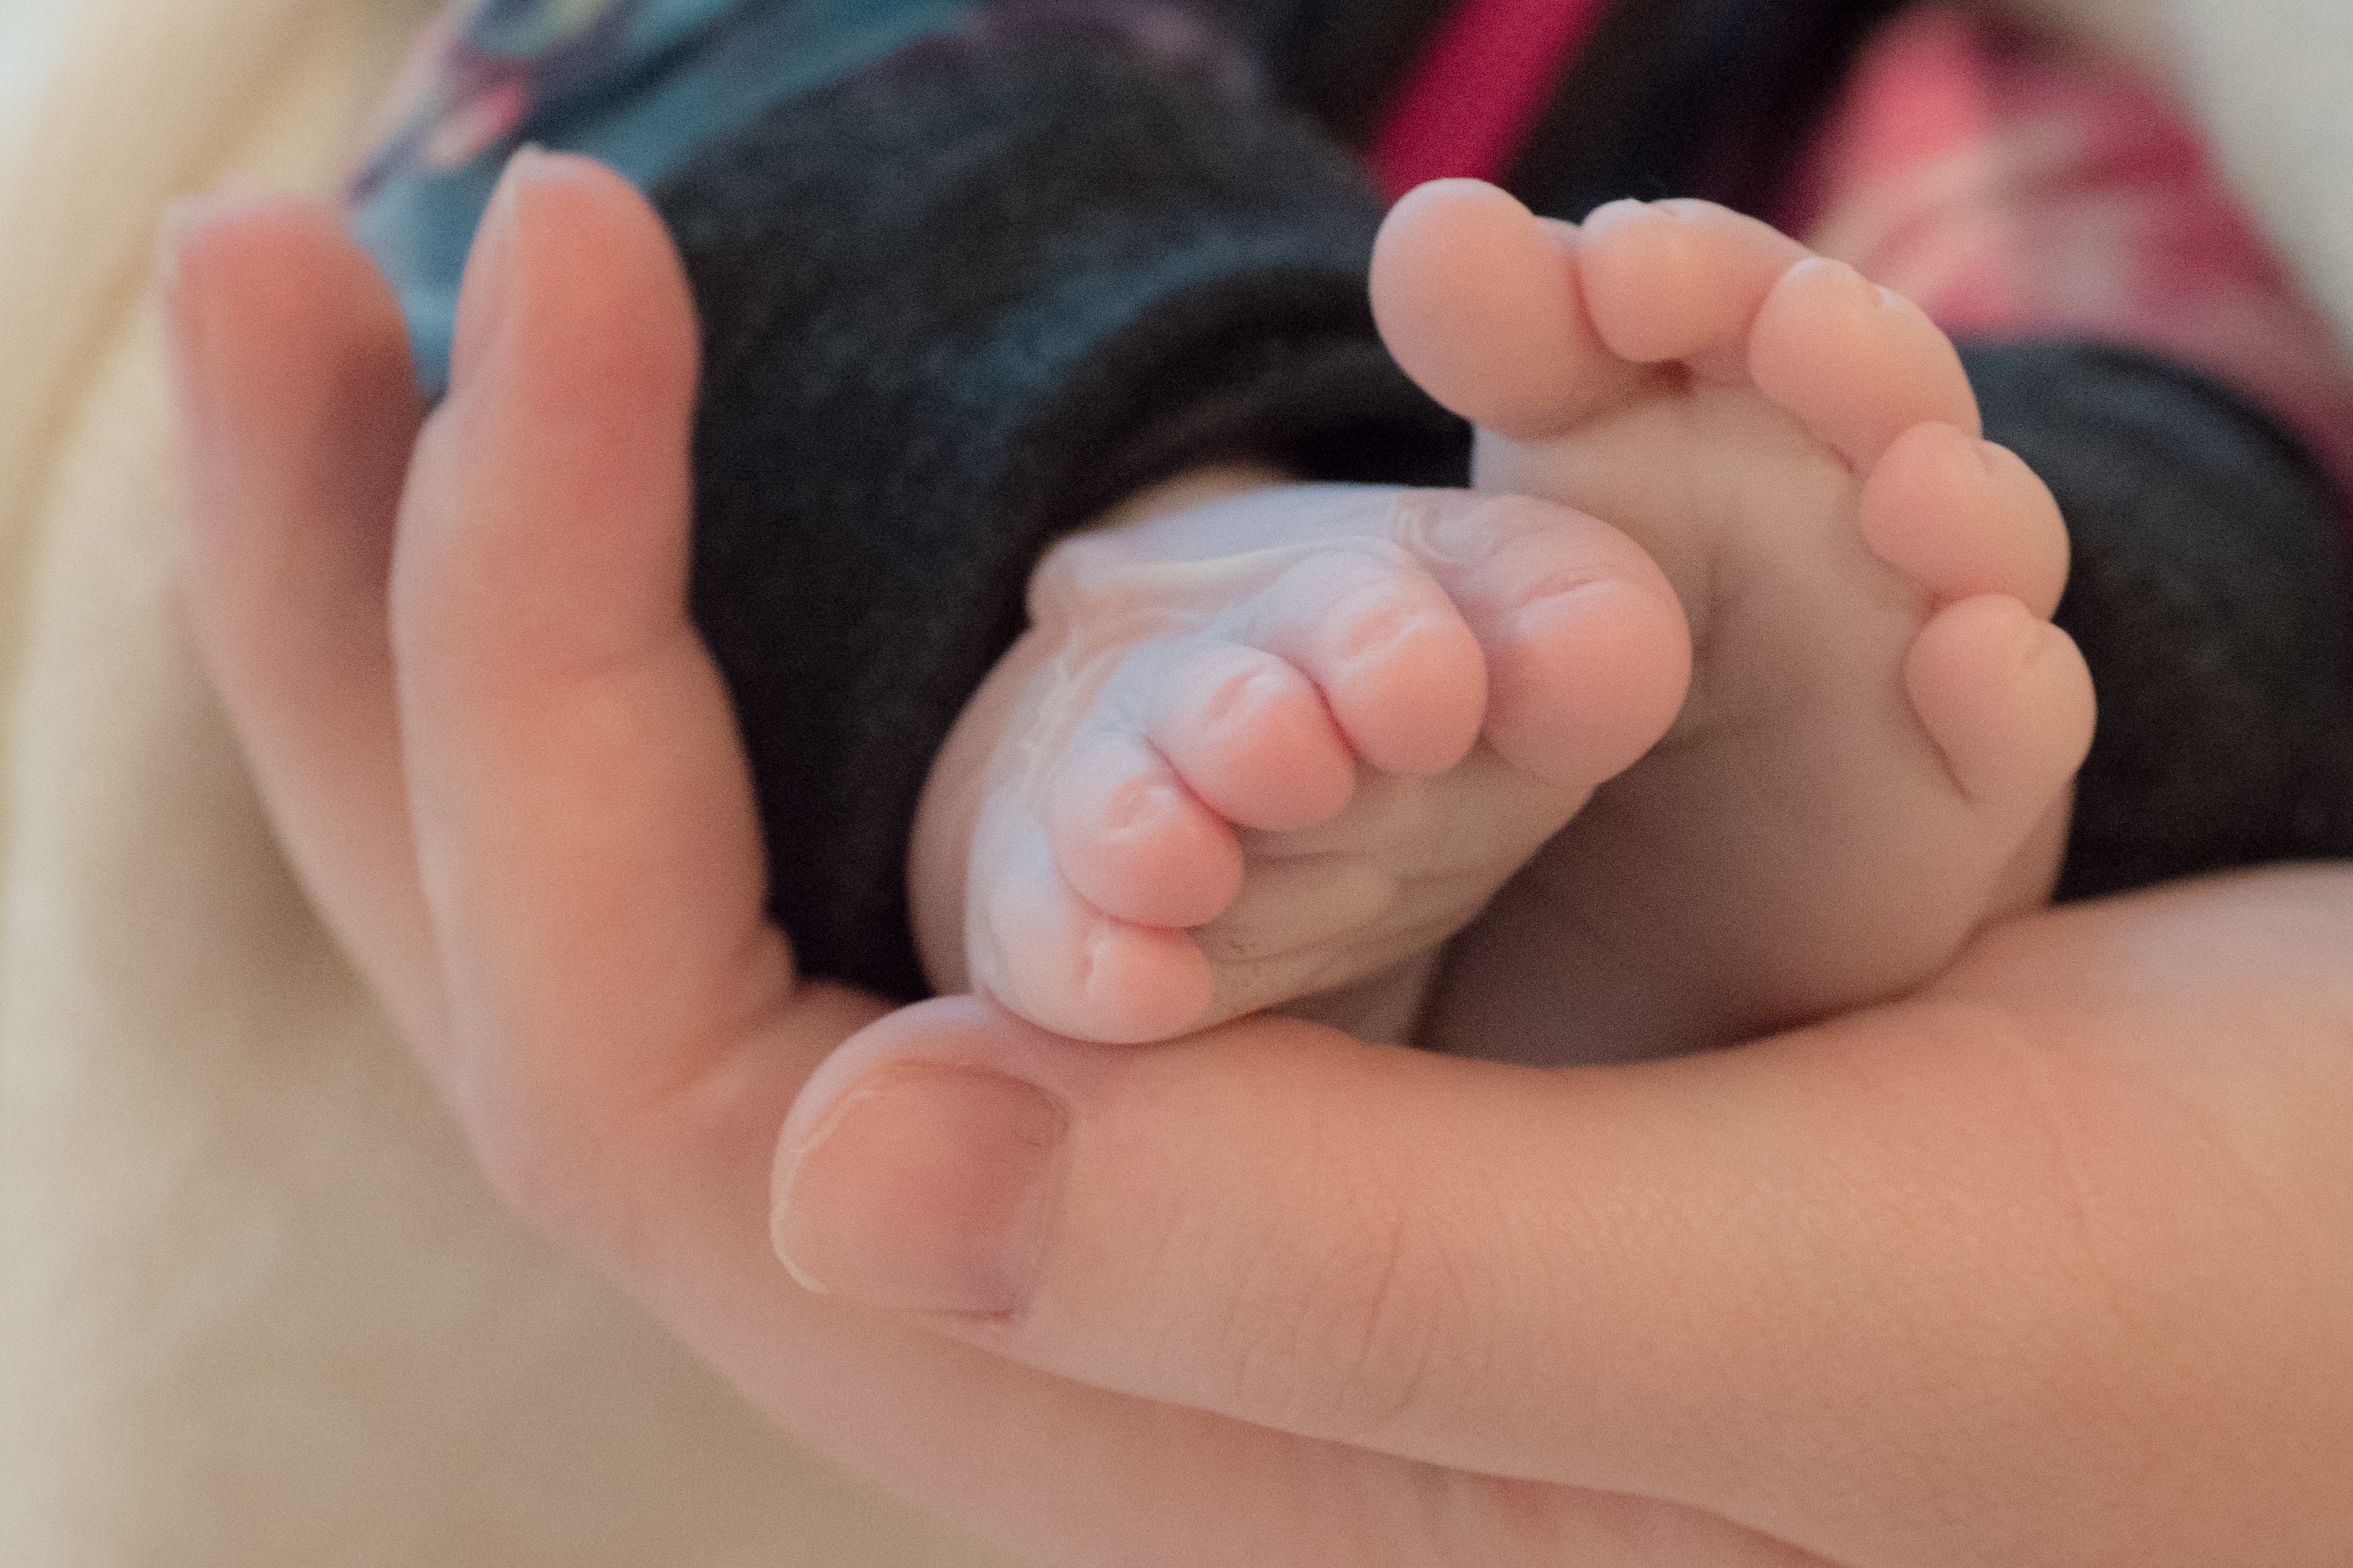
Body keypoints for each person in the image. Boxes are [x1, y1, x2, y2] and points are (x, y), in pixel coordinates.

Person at [161, 0, 2353, 1561]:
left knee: (2126, 475)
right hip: (1200, 165)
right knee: (786, 98)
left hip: (1906, 189)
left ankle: (1636, 779)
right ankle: (1178, 567)